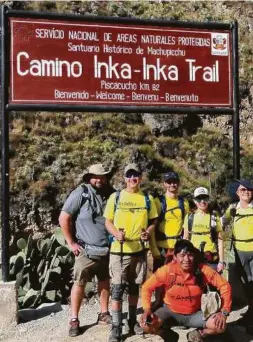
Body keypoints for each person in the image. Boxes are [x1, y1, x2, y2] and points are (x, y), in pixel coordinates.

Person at [104, 163, 158, 342]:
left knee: (135, 288)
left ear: (141, 178)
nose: (132, 179)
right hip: (119, 251)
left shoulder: (147, 198)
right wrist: (116, 233)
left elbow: (153, 221)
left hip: (139, 251)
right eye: (129, 175)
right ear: (124, 178)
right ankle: (116, 328)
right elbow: (108, 222)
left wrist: (147, 232)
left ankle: (133, 320)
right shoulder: (116, 197)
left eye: (136, 175)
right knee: (118, 290)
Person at [59, 163, 114, 337]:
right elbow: (64, 218)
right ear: (89, 177)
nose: (99, 180)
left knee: (104, 281)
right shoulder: (80, 193)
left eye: (102, 176)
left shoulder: (110, 194)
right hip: (85, 250)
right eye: (96, 176)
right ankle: (74, 319)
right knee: (79, 283)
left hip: (106, 249)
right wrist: (71, 243)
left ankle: (104, 314)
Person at [140, 239, 232, 342]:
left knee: (219, 326)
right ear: (175, 257)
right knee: (145, 325)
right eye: (182, 255)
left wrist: (224, 312)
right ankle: (169, 336)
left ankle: (198, 334)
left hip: (195, 313)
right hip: (169, 311)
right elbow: (146, 287)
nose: (187, 259)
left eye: (190, 255)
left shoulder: (202, 270)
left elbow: (224, 285)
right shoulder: (167, 271)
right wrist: (147, 309)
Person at [150, 171, 189, 309]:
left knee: (179, 277)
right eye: (169, 182)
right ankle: (159, 303)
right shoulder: (158, 202)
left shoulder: (183, 202)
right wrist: (154, 248)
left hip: (177, 247)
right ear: (164, 184)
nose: (173, 184)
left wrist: (185, 245)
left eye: (175, 181)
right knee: (160, 277)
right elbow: (152, 227)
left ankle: (175, 304)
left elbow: (186, 226)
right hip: (161, 247)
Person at [222, 179, 253, 332]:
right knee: (246, 283)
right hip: (239, 251)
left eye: (249, 190)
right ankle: (250, 312)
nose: (246, 192)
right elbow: (223, 222)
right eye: (243, 190)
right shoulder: (232, 208)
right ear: (237, 193)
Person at [183, 187, 225, 273]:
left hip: (211, 258)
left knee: (214, 285)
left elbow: (220, 239)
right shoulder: (189, 217)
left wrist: (221, 261)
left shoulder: (214, 215)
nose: (202, 201)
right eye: (199, 198)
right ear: (195, 201)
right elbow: (185, 239)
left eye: (205, 198)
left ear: (208, 199)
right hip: (194, 257)